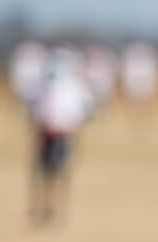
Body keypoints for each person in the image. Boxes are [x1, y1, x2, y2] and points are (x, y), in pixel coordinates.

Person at [27, 48, 95, 224]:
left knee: (61, 173)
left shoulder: (73, 86)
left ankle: (59, 209)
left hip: (62, 135)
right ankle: (45, 208)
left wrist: (75, 136)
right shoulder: (43, 85)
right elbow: (35, 112)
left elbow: (80, 114)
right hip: (47, 134)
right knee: (45, 174)